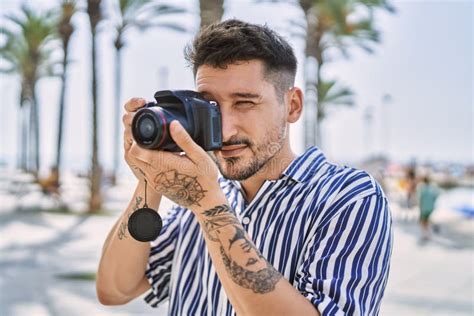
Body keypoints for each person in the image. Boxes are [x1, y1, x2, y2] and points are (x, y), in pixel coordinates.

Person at [96, 19, 393, 315]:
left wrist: (208, 205)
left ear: (292, 106)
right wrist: (151, 176)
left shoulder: (349, 197)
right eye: (210, 106)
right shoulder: (199, 196)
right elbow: (115, 289)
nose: (224, 130)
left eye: (244, 103)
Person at [417, 175, 440, 241]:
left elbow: (420, 198)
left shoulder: (422, 188)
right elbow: (436, 196)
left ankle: (425, 235)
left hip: (424, 208)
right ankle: (428, 234)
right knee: (427, 221)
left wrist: (420, 206)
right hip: (431, 207)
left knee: (422, 222)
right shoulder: (432, 188)